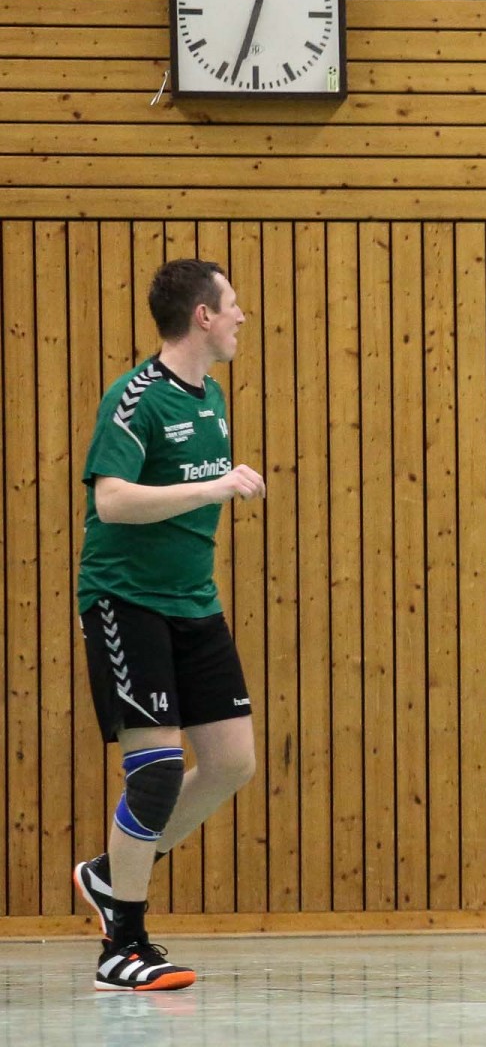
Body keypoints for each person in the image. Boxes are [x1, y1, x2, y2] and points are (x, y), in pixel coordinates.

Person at [71, 258, 265, 991]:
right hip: (127, 602)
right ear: (202, 316)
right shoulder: (135, 398)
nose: (241, 316)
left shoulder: (212, 395)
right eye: (232, 304)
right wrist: (214, 487)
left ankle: (109, 874)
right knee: (153, 773)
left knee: (231, 763)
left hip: (194, 602)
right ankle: (122, 945)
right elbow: (112, 501)